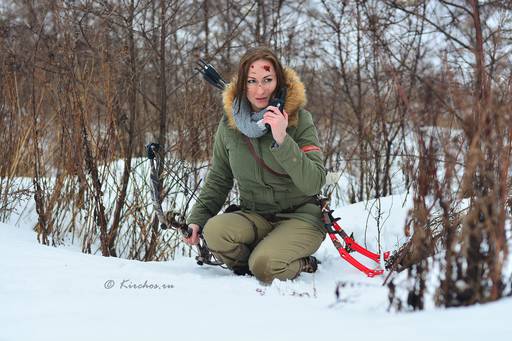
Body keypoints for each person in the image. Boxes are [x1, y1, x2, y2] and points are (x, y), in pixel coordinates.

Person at [184, 46, 326, 284]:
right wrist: (197, 218)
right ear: (242, 84)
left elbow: (314, 183)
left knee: (264, 265)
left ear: (278, 82)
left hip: (300, 217)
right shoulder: (229, 125)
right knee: (215, 232)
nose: (260, 90)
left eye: (267, 80)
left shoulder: (300, 120)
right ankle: (261, 258)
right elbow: (219, 177)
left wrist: (282, 138)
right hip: (255, 216)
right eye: (252, 81)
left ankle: (299, 262)